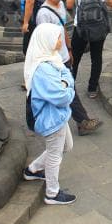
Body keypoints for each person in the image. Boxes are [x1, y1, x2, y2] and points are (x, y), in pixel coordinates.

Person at [36, 0, 103, 136]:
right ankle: (82, 121)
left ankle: (80, 121)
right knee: (67, 90)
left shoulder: (60, 6)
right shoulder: (43, 14)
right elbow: (45, 42)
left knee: (67, 89)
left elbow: (63, 28)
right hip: (54, 60)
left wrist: (70, 49)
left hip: (64, 57)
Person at [22, 23, 77, 205]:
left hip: (58, 115)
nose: (61, 41)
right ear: (47, 40)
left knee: (66, 146)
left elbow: (68, 76)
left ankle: (33, 169)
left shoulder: (51, 58)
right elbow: (62, 97)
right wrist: (67, 87)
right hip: (51, 118)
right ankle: (52, 193)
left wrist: (65, 83)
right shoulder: (43, 69)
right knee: (55, 154)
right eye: (58, 37)